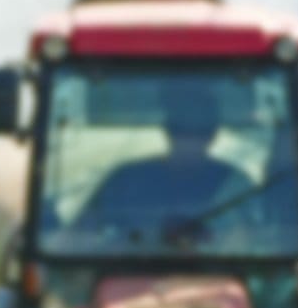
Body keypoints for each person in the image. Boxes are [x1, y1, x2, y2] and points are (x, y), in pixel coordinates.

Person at [76, 85, 251, 239]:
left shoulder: (236, 186)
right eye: (181, 129)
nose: (190, 141)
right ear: (168, 130)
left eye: (200, 131)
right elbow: (78, 237)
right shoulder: (126, 181)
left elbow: (261, 240)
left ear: (212, 134)